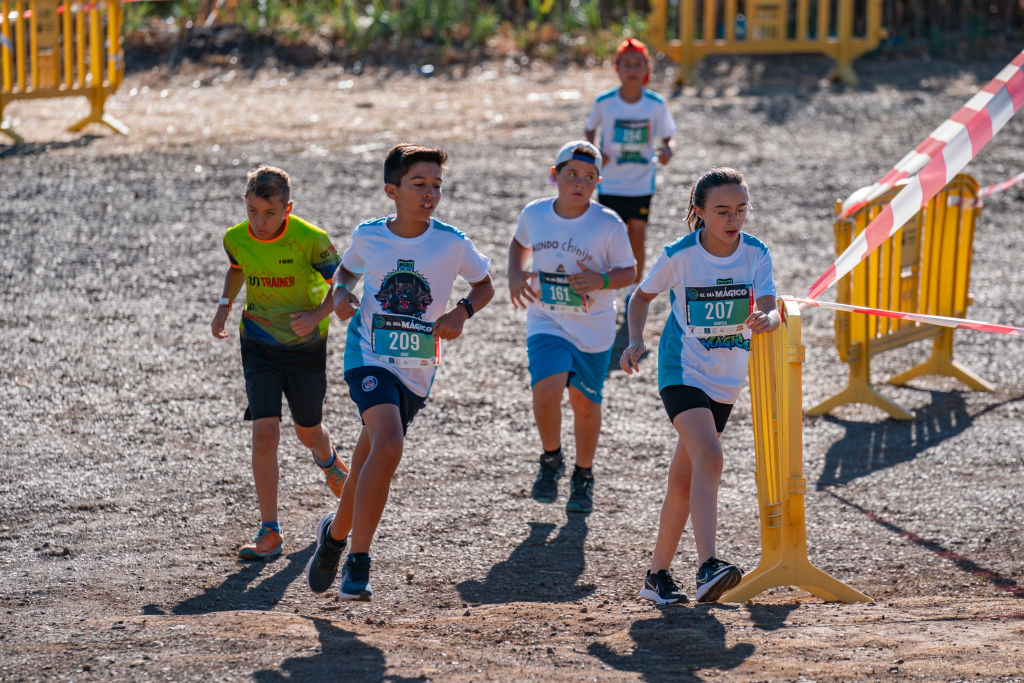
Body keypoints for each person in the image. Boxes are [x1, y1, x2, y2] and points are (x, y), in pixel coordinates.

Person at [304, 143, 494, 601]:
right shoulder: (370, 236)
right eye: (418, 185)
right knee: (389, 445)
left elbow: (485, 285)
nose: (430, 193)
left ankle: (333, 535)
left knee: (373, 458)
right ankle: (359, 562)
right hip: (368, 355)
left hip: (416, 370)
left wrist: (462, 312)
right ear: (392, 190)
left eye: (437, 186)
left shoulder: (451, 242)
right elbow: (344, 275)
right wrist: (343, 297)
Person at [620, 168, 779, 604]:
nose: (734, 220)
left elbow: (771, 305)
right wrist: (636, 339)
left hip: (727, 380)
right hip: (682, 368)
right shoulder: (680, 254)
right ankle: (709, 566)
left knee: (683, 481)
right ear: (699, 212)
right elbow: (640, 296)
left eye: (741, 210)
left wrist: (769, 319)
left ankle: (656, 577)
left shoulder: (756, 253)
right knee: (709, 457)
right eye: (723, 211)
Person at [211, 165, 350, 561]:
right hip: (258, 342)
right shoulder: (236, 238)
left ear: (288, 209)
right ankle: (269, 530)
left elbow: (340, 284)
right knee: (265, 432)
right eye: (253, 210)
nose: (260, 221)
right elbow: (237, 269)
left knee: (308, 431)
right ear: (246, 204)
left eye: (270, 213)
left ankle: (330, 462)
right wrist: (225, 304)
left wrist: (316, 314)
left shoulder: (312, 240)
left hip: (306, 347)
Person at [508, 140, 637, 514]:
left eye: (589, 177)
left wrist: (600, 280)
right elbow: (519, 245)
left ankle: (584, 474)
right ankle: (551, 460)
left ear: (598, 181)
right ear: (554, 176)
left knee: (584, 403)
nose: (579, 183)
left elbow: (628, 271)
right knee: (546, 390)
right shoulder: (535, 214)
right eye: (571, 175)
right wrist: (515, 273)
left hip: (593, 328)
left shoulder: (607, 223)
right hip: (546, 318)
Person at [585, 37, 677, 298]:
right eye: (627, 64)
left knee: (637, 234)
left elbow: (669, 135)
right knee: (610, 236)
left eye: (638, 64)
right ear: (617, 68)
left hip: (641, 181)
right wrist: (596, 153)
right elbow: (590, 128)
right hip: (610, 182)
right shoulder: (604, 102)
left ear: (646, 69)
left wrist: (668, 149)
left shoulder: (656, 104)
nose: (633, 69)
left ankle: (633, 290)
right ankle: (609, 284)